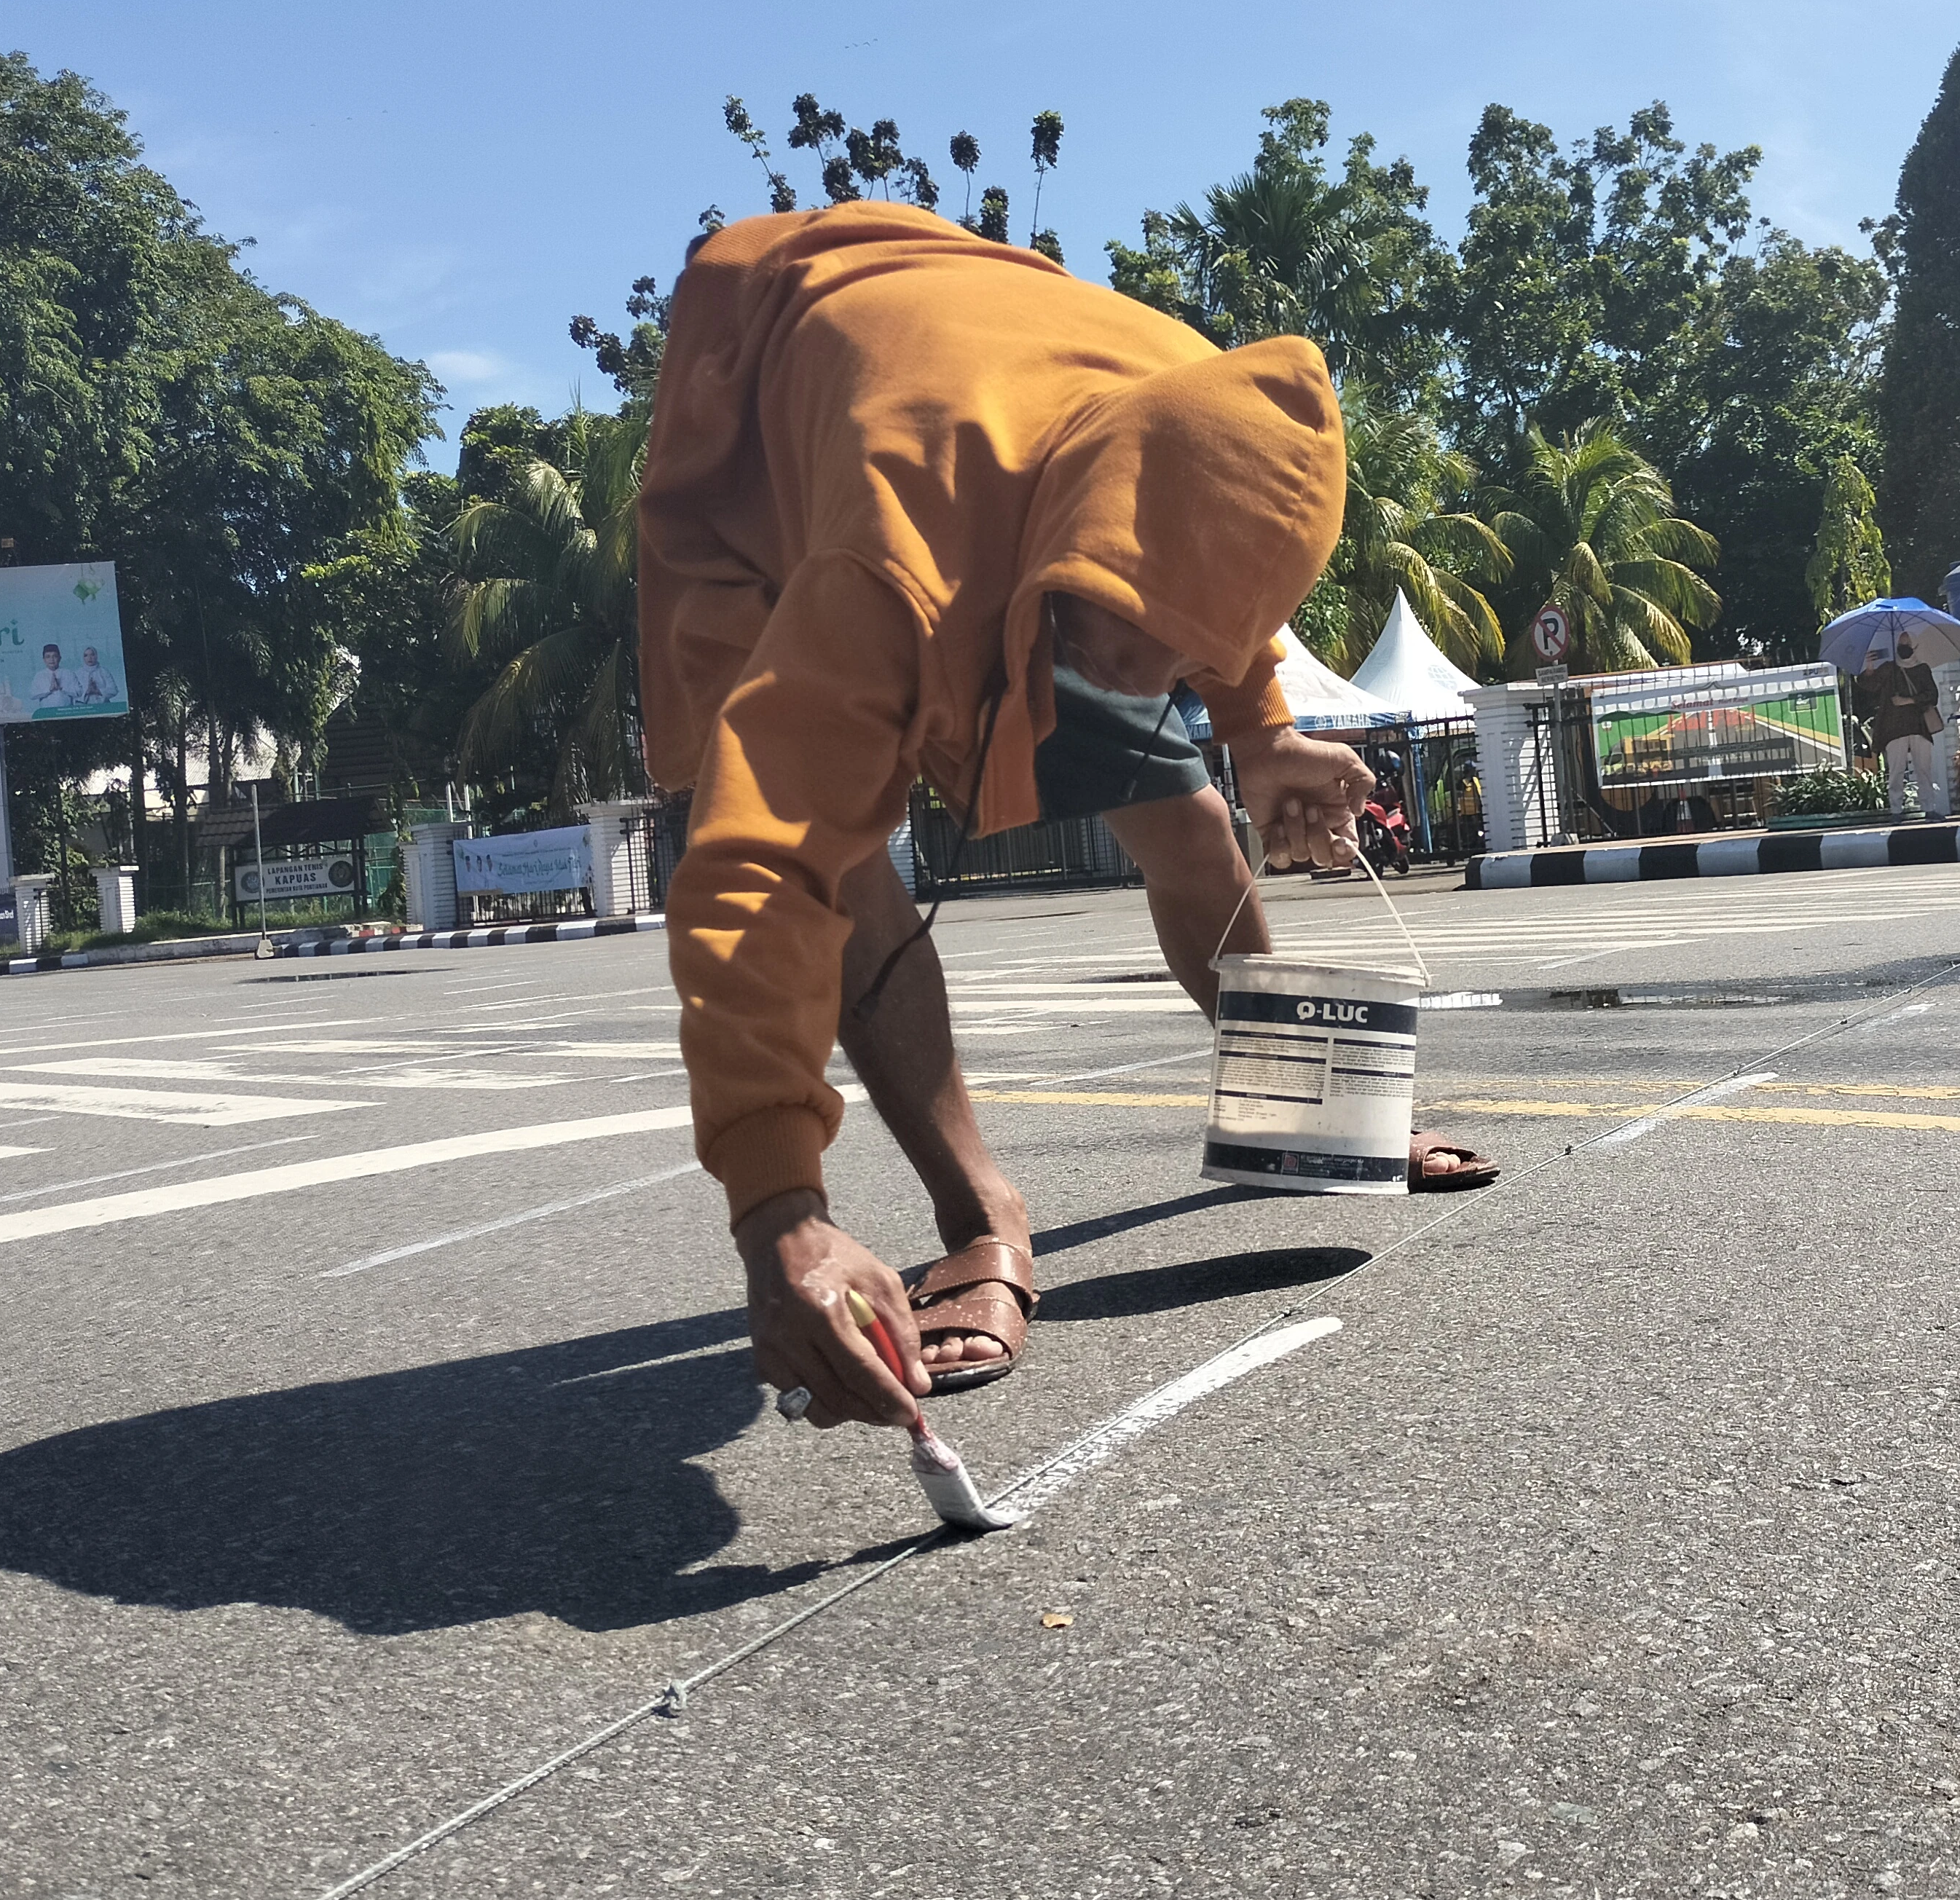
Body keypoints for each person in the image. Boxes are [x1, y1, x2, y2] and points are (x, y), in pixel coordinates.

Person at [640, 203, 1499, 1435]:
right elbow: (763, 868)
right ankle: (979, 1219)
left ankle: (1305, 1106)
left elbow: (1213, 572)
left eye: (1181, 643)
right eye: (1135, 623)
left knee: (1190, 816)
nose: (1149, 670)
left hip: (1017, 438)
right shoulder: (887, 568)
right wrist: (778, 1207)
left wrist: (1257, 728)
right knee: (850, 880)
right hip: (756, 446)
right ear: (1104, 506)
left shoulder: (1199, 411)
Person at [1855, 631, 1951, 819]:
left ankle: (1929, 808)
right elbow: (1870, 685)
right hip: (1894, 727)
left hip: (1918, 727)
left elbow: (1932, 696)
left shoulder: (1922, 669)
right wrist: (1869, 668)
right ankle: (1896, 811)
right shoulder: (1889, 669)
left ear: (1915, 647)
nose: (1904, 647)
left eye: (1908, 644)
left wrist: (1908, 701)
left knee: (1923, 769)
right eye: (1901, 644)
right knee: (1896, 771)